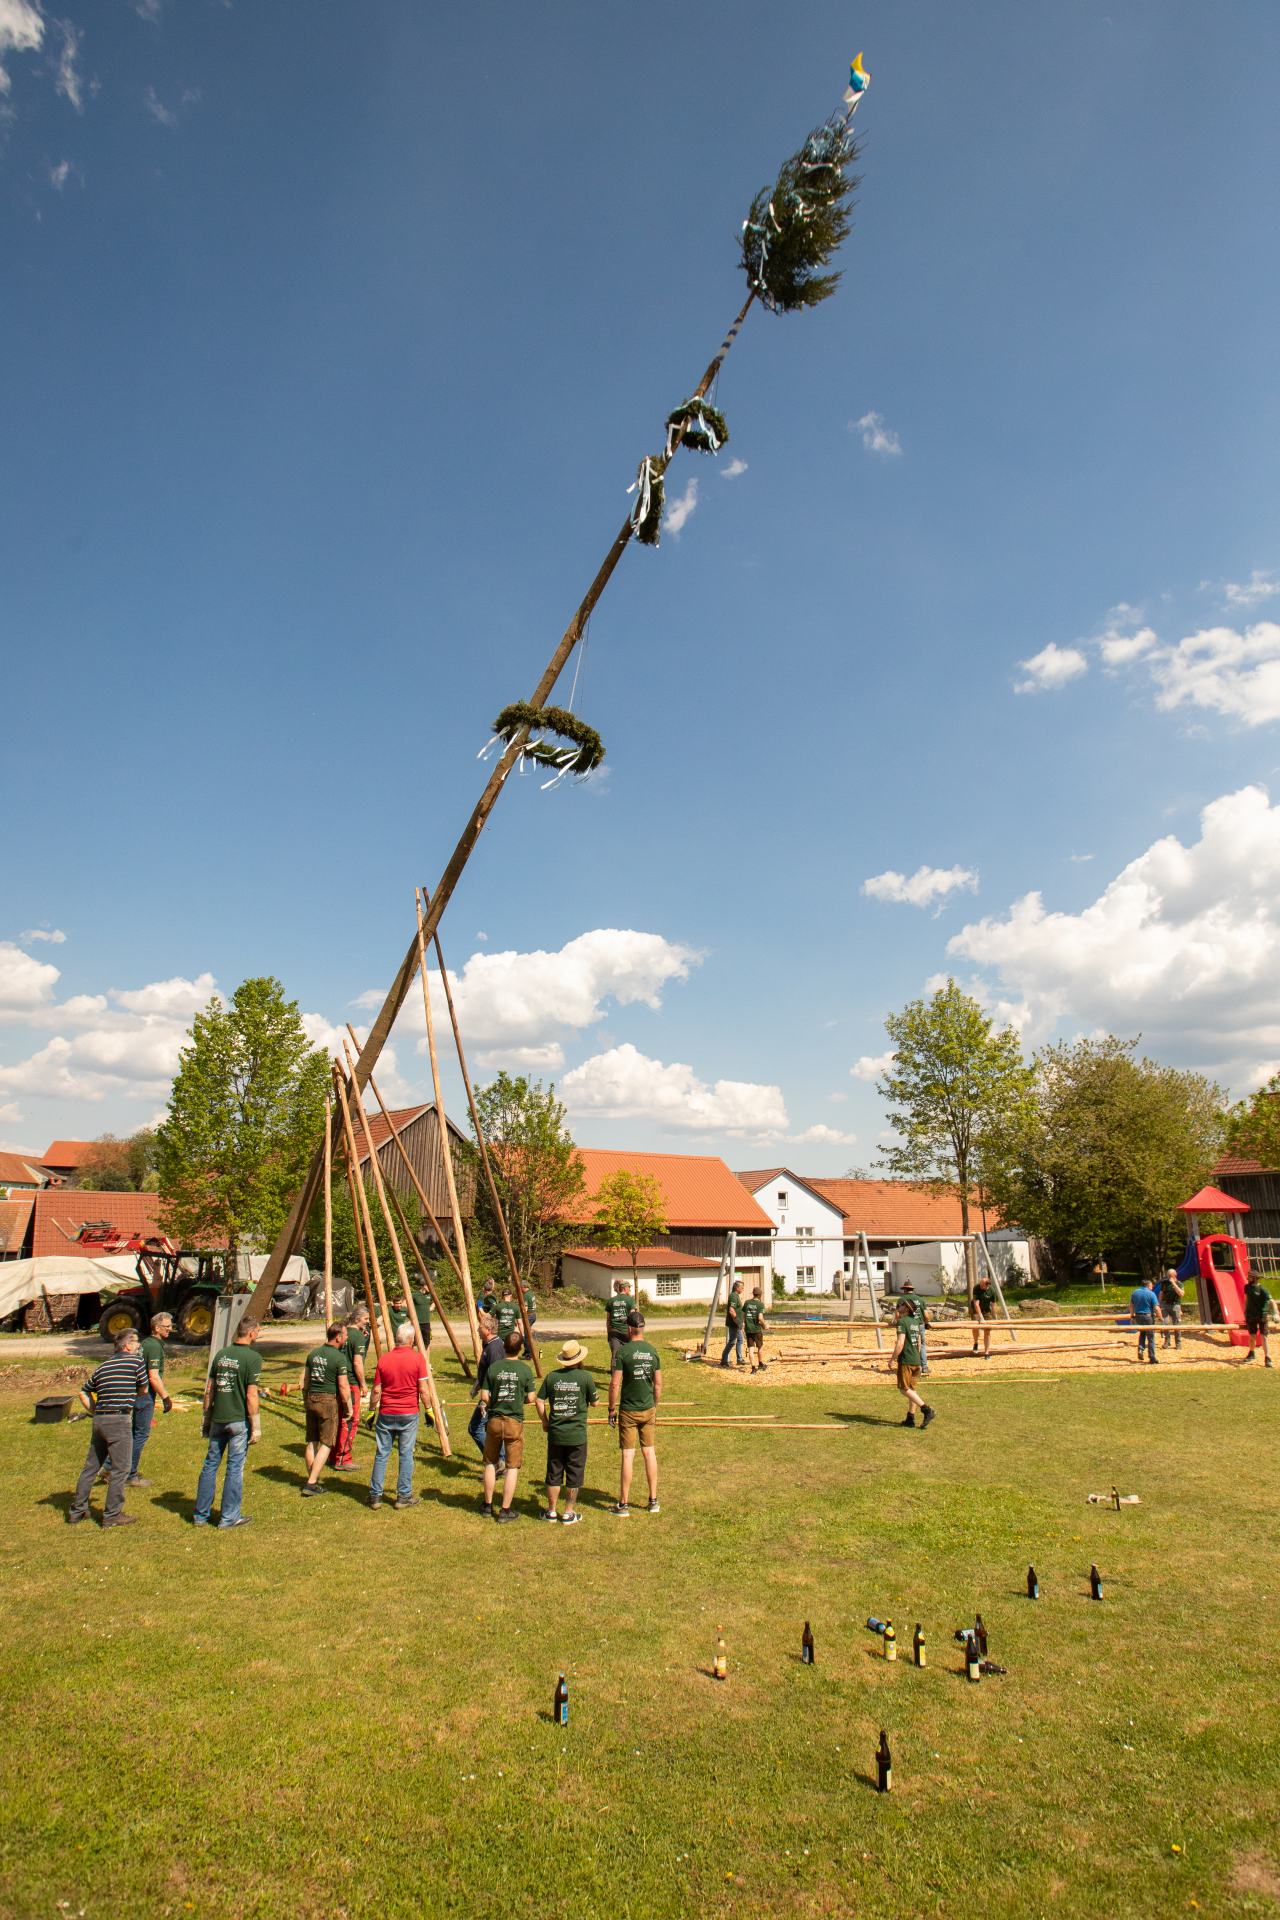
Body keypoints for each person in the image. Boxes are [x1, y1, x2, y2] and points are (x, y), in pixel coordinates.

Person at [67, 1329, 149, 1528]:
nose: (138, 1345)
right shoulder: (136, 1362)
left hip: (100, 1421)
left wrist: (96, 1411)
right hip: (119, 1420)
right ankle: (112, 1515)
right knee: (121, 1469)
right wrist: (130, 1397)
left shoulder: (103, 1366)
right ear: (127, 1345)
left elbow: (83, 1392)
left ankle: (77, 1511)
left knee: (91, 1467)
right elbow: (144, 1389)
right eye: (135, 1342)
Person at [194, 1316, 262, 1529]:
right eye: (258, 1331)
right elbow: (251, 1395)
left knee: (210, 1465)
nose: (258, 1334)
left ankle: (200, 1515)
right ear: (251, 1333)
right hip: (238, 1422)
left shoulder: (221, 1355)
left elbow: (209, 1390)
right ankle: (229, 1517)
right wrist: (256, 1427)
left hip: (218, 1419)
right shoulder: (253, 1358)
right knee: (234, 1468)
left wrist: (206, 1419)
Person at [367, 1320, 431, 1509]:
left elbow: (376, 1390)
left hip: (386, 1412)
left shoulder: (384, 1359)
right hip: (408, 1413)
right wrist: (429, 1410)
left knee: (382, 1453)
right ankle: (403, 1496)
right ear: (411, 1340)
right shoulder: (418, 1359)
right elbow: (423, 1389)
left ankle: (375, 1496)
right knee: (406, 1453)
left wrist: (371, 1411)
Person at [537, 1339, 598, 1524]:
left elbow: (539, 1400)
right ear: (580, 1359)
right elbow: (595, 1403)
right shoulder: (586, 1377)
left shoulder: (552, 1376)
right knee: (574, 1474)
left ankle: (551, 1511)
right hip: (577, 1435)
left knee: (554, 1473)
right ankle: (568, 1513)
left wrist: (545, 1421)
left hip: (556, 1434)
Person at [479, 1330, 536, 1522]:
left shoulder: (494, 1368)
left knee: (490, 1462)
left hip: (494, 1421)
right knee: (512, 1467)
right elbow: (531, 1397)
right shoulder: (525, 1370)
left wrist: (494, 1401)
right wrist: (520, 1399)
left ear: (504, 1347)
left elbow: (484, 1396)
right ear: (520, 1348)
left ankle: (487, 1506)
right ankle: (505, 1510)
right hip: (514, 1422)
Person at [609, 1311, 662, 1516]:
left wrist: (611, 1409)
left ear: (629, 1329)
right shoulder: (652, 1351)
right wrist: (654, 1406)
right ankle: (653, 1500)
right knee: (649, 1452)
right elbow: (658, 1385)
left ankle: (623, 1504)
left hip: (628, 1412)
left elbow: (615, 1384)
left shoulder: (623, 1352)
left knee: (628, 1455)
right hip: (648, 1409)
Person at [299, 1323, 354, 1496]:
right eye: (345, 1335)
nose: (346, 1338)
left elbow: (305, 1380)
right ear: (338, 1337)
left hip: (311, 1398)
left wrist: (305, 1399)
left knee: (312, 1442)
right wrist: (349, 1408)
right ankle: (311, 1483)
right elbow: (343, 1386)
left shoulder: (313, 1354)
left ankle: (312, 1480)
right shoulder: (339, 1358)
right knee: (327, 1443)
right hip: (327, 1401)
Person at [129, 1311, 175, 1487]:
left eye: (171, 1325)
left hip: (136, 1393)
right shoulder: (154, 1346)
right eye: (167, 1326)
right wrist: (166, 1398)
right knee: (140, 1434)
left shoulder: (146, 1343)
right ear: (157, 1328)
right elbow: (153, 1376)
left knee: (132, 1432)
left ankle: (110, 1467)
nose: (170, 1329)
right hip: (144, 1395)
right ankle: (130, 1474)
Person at [332, 1305, 371, 1470]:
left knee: (338, 1418)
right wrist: (363, 1384)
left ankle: (332, 1454)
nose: (367, 1322)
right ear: (357, 1318)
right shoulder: (358, 1337)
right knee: (350, 1419)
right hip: (351, 1382)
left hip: (336, 1379)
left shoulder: (342, 1332)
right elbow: (357, 1362)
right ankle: (343, 1458)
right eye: (365, 1319)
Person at [889, 1297, 935, 1429]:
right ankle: (910, 1418)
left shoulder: (902, 1322)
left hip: (906, 1360)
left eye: (901, 1305)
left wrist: (892, 1359)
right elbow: (919, 1344)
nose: (898, 1306)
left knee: (904, 1389)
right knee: (912, 1390)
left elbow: (900, 1343)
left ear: (907, 1308)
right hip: (916, 1360)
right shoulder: (916, 1322)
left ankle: (926, 1409)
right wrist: (919, 1359)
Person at [469, 1311, 507, 1455]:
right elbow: (486, 1371)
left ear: (488, 1330)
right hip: (489, 1394)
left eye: (480, 1328)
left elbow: (496, 1376)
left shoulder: (495, 1348)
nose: (478, 1330)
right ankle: (500, 1459)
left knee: (475, 1428)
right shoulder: (489, 1344)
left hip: (491, 1397)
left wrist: (485, 1401)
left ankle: (497, 1459)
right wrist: (476, 1387)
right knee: (489, 1429)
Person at [1243, 1274, 1274, 1367]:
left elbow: (1272, 1301)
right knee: (1252, 1336)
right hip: (1251, 1316)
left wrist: (1276, 1313)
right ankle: (1251, 1353)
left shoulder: (1263, 1290)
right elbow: (1246, 1300)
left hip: (1262, 1316)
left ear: (1255, 1278)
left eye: (1250, 1277)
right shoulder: (1247, 1287)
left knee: (1264, 1337)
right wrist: (1245, 1312)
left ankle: (1267, 1358)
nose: (1248, 1278)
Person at [1130, 1277, 1161, 1365]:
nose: (1152, 1287)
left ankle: (1140, 1349)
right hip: (1148, 1317)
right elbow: (1156, 1308)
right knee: (1151, 1337)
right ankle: (1152, 1357)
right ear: (1148, 1285)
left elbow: (1131, 1305)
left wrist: (1132, 1316)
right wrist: (1160, 1317)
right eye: (1151, 1285)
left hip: (1138, 1316)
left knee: (1142, 1333)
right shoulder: (1151, 1294)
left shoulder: (1135, 1292)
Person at [606, 1280, 634, 1366]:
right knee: (628, 1353)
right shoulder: (630, 1300)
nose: (630, 1289)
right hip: (626, 1331)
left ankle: (614, 1370)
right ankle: (627, 1369)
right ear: (625, 1288)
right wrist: (632, 1332)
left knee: (615, 1354)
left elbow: (608, 1320)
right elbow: (632, 1319)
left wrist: (609, 1333)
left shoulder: (611, 1301)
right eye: (629, 1287)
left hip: (613, 1332)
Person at [970, 1272, 997, 1357]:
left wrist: (994, 1316)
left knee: (987, 1331)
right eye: (980, 1283)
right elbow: (976, 1304)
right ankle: (976, 1342)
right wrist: (981, 1317)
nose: (980, 1286)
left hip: (986, 1311)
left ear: (987, 1285)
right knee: (975, 1327)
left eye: (982, 1285)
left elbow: (993, 1304)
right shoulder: (976, 1288)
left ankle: (986, 1352)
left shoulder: (992, 1291)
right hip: (976, 1310)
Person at [720, 1279, 745, 1369]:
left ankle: (739, 1359)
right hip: (734, 1323)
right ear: (737, 1287)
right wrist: (738, 1321)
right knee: (732, 1341)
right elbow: (731, 1310)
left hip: (736, 1323)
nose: (743, 1289)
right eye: (742, 1287)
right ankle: (724, 1360)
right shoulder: (733, 1296)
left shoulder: (736, 1295)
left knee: (739, 1340)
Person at [742, 1285, 768, 1372]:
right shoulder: (760, 1304)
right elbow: (760, 1318)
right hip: (757, 1329)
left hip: (748, 1329)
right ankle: (760, 1364)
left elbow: (743, 1315)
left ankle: (753, 1368)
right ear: (760, 1295)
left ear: (753, 1294)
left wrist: (744, 1324)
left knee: (751, 1349)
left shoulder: (747, 1303)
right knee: (759, 1347)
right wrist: (765, 1325)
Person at [1158, 1268, 1185, 1352]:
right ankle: (1167, 1342)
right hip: (1165, 1305)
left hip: (1175, 1305)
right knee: (1165, 1323)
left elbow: (1181, 1294)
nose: (1168, 1276)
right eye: (1168, 1275)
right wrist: (1159, 1304)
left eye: (1170, 1275)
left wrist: (1173, 1283)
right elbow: (1161, 1293)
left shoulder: (1179, 1283)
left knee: (1177, 1325)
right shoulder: (1164, 1283)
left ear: (1175, 1275)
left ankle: (1178, 1343)